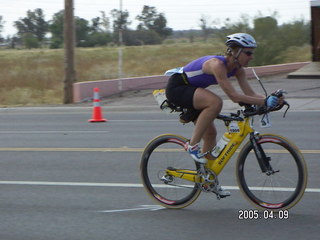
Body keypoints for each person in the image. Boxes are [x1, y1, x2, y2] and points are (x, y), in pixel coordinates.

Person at [165, 33, 283, 197]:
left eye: (252, 52)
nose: (251, 56)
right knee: (215, 102)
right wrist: (265, 102)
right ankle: (192, 145)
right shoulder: (217, 65)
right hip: (177, 87)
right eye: (248, 53)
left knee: (211, 133)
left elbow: (250, 93)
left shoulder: (238, 70)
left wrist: (272, 100)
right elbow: (234, 96)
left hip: (193, 92)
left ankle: (207, 179)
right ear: (236, 52)